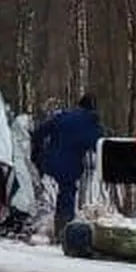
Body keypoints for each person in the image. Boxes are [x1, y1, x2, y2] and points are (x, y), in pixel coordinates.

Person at [33, 93, 105, 241]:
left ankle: (50, 224)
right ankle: (63, 232)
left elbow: (40, 132)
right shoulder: (91, 123)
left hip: (49, 161)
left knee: (53, 191)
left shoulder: (63, 116)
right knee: (67, 193)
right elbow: (99, 146)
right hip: (69, 165)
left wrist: (37, 153)